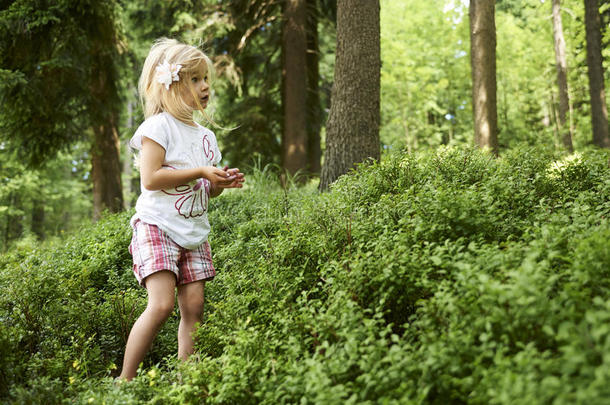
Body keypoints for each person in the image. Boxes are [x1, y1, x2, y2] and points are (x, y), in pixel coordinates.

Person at [119, 38, 244, 381]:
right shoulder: (157, 128)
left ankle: (186, 382)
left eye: (205, 79)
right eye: (194, 79)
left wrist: (219, 181)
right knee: (161, 305)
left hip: (192, 233)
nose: (205, 86)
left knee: (194, 308)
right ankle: (123, 382)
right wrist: (202, 172)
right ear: (171, 86)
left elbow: (208, 192)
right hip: (157, 226)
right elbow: (151, 178)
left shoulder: (206, 137)